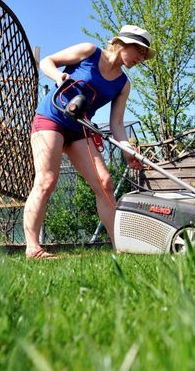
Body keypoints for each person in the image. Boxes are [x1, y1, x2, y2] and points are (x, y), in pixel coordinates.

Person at [23, 25, 154, 259]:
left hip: (79, 128)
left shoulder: (123, 85)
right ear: (124, 43)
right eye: (140, 51)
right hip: (51, 117)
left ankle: (120, 249)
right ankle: (33, 248)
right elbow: (47, 61)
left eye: (144, 55)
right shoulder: (89, 51)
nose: (141, 58)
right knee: (46, 180)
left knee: (105, 183)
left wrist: (128, 152)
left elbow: (117, 125)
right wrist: (57, 76)